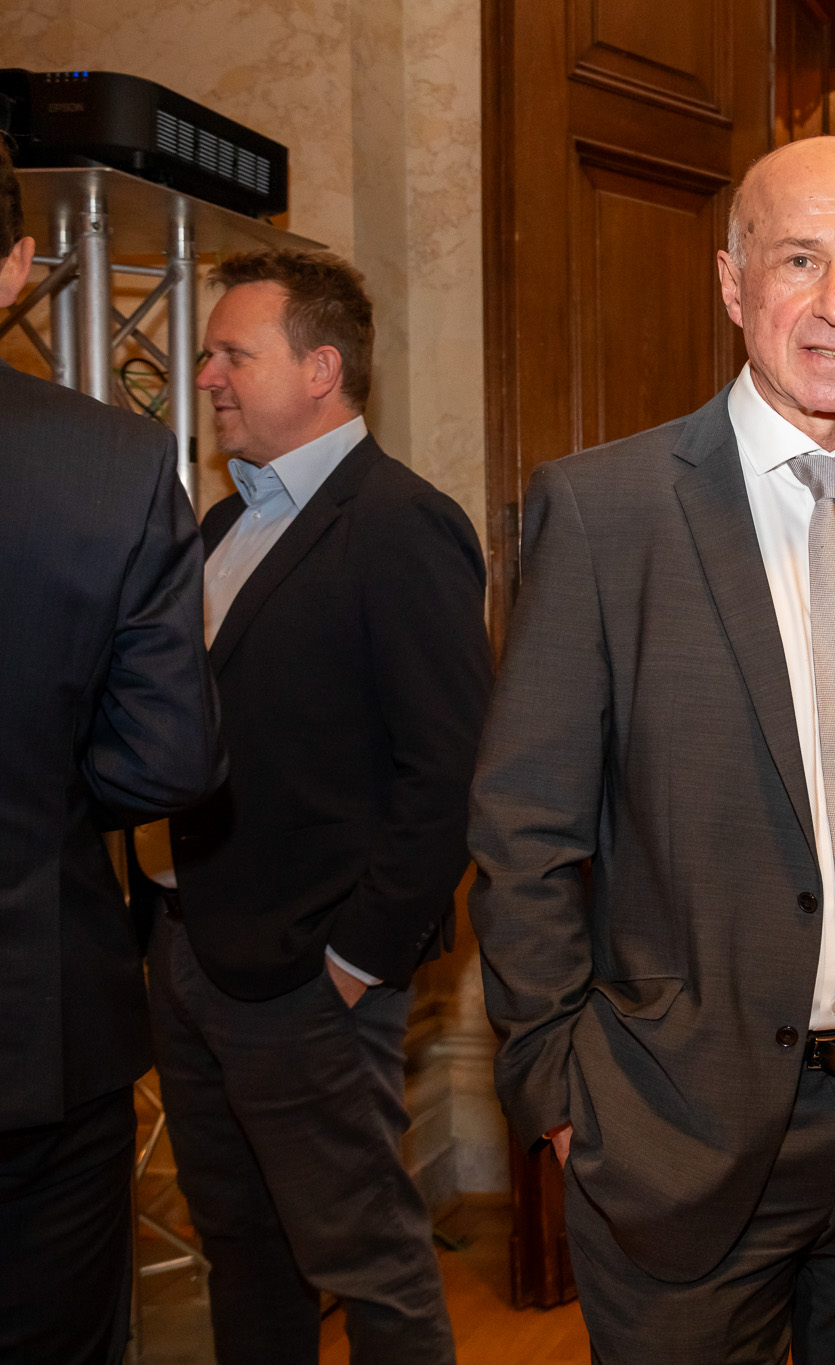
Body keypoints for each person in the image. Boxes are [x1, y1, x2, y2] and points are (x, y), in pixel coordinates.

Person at [469, 134, 835, 1364]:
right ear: (733, 283)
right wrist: (558, 1092)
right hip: (680, 1125)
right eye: (799, 260)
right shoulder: (604, 511)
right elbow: (524, 829)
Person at [130, 249, 491, 1365]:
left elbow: (449, 770)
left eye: (232, 354)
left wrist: (354, 958)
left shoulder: (400, 523)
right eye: (207, 356)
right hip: (188, 954)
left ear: (321, 369)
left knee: (367, 1261)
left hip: (304, 975)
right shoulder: (220, 529)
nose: (206, 377)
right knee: (241, 1248)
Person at [0, 141, 226, 1365]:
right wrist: (45, 801)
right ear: (18, 270)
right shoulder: (113, 462)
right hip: (38, 1033)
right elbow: (168, 763)